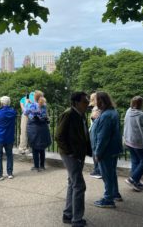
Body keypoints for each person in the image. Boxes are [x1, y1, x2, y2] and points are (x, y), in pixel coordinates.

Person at [56, 92, 91, 227]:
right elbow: (59, 136)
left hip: (77, 154)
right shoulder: (69, 114)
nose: (87, 104)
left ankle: (68, 214)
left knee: (73, 183)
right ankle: (77, 220)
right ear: (76, 102)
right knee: (79, 186)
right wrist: (70, 153)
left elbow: (84, 134)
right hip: (71, 155)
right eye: (84, 101)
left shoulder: (80, 114)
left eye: (87, 101)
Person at [91, 91, 123, 208]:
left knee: (106, 175)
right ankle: (115, 194)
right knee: (111, 173)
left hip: (106, 151)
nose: (94, 103)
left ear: (100, 101)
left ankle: (108, 199)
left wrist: (98, 153)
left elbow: (103, 137)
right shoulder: (111, 112)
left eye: (96, 100)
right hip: (112, 149)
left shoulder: (106, 115)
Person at [123, 96, 143, 192]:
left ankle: (136, 182)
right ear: (141, 104)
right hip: (138, 142)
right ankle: (132, 179)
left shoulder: (128, 111)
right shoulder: (141, 115)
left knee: (135, 161)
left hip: (128, 140)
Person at [0, 96, 16, 180]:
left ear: (2, 103)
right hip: (9, 137)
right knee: (9, 155)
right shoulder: (13, 112)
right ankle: (10, 173)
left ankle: (0, 174)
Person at [25, 94, 51, 172]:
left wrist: (27, 103)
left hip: (34, 129)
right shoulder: (44, 105)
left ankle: (36, 167)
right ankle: (42, 166)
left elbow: (25, 112)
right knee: (42, 148)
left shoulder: (32, 105)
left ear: (34, 98)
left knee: (35, 148)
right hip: (43, 128)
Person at [89, 92, 102, 179]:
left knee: (95, 150)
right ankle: (98, 170)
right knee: (96, 150)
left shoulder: (96, 109)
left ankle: (98, 171)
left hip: (95, 132)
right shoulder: (98, 108)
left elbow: (95, 120)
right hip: (95, 131)